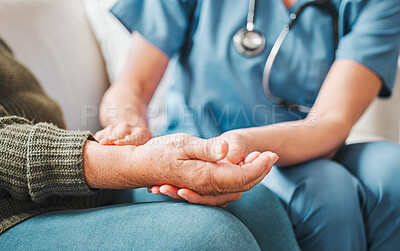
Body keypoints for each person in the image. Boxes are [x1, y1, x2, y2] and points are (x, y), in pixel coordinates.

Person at [98, 0, 400, 250]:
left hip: (302, 146)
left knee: (392, 170)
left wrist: (233, 146)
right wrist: (128, 130)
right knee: (325, 190)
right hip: (191, 145)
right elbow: (131, 87)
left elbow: (331, 121)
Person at [0, 38, 300, 250]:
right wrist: (131, 163)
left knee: (255, 201)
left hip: (64, 190)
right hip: (12, 212)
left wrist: (121, 138)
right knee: (213, 239)